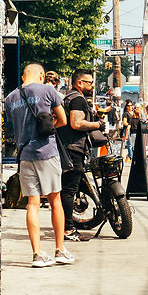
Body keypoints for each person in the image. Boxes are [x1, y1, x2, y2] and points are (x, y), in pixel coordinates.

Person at [3, 63, 73, 267]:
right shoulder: (48, 90)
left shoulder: (10, 98)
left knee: (32, 204)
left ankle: (37, 254)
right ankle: (60, 249)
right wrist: (51, 127)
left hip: (25, 154)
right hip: (46, 151)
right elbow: (63, 119)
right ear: (42, 76)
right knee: (55, 200)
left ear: (23, 77)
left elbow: (10, 127)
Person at [57, 69, 103, 242]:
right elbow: (76, 123)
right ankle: (68, 229)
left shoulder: (69, 97)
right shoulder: (77, 99)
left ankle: (65, 226)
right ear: (79, 83)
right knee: (69, 190)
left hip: (69, 147)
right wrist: (97, 125)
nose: (92, 85)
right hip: (73, 149)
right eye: (89, 82)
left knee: (67, 189)